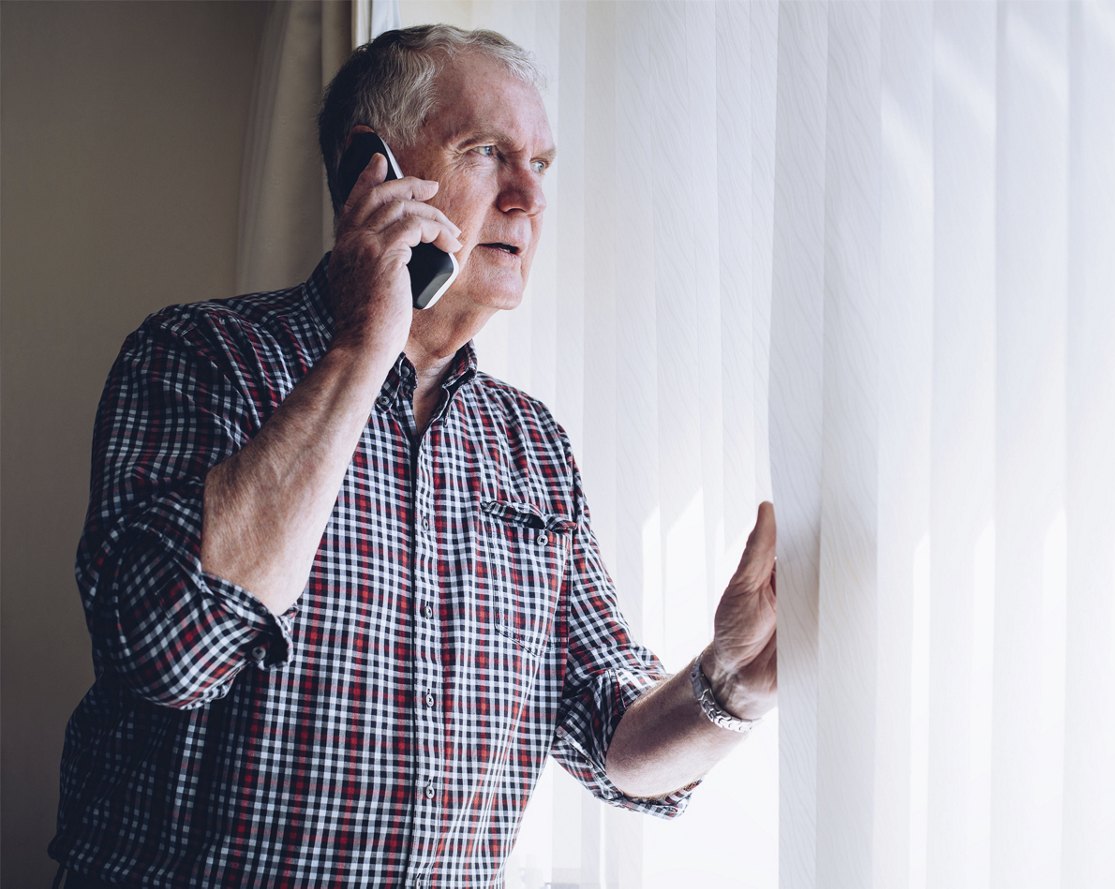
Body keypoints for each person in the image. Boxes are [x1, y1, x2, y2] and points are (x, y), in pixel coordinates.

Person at [49, 24, 776, 888]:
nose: (527, 199)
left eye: (540, 165)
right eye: (487, 153)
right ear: (373, 171)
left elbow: (613, 737)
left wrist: (728, 688)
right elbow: (171, 655)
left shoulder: (532, 443)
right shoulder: (200, 353)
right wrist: (366, 345)